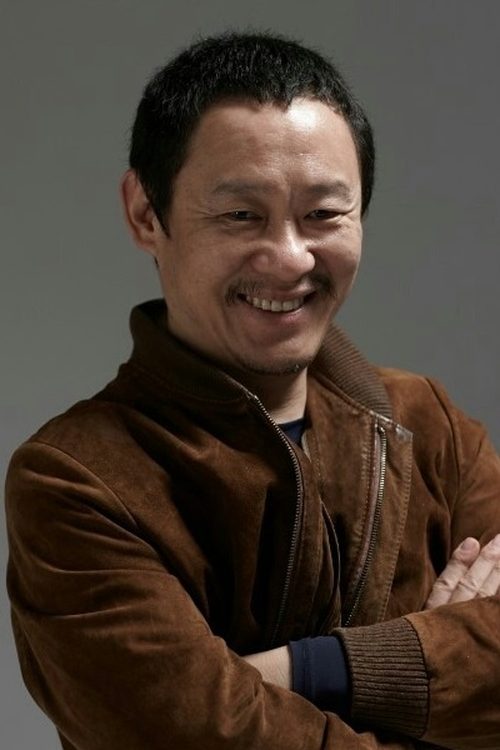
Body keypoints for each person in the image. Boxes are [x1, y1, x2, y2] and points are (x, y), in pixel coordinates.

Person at [5, 31, 500, 750]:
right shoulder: (75, 481)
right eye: (241, 215)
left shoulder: (430, 424)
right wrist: (441, 672)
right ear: (146, 213)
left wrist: (300, 669)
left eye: (324, 214)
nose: (290, 258)